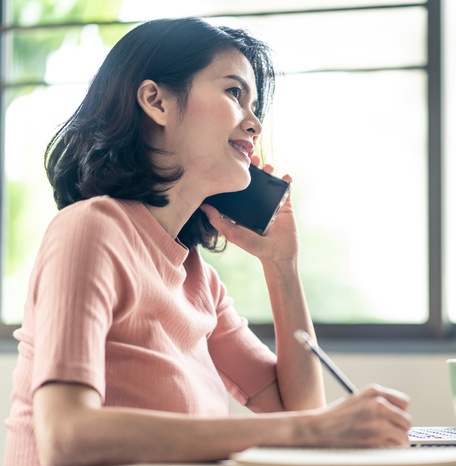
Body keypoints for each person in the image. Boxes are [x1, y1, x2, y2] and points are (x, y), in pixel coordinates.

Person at [3, 17, 411, 465]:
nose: (255, 124)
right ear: (155, 101)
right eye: (235, 93)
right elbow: (68, 437)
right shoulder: (90, 229)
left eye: (255, 106)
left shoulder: (199, 281)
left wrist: (281, 265)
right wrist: (313, 427)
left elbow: (301, 413)